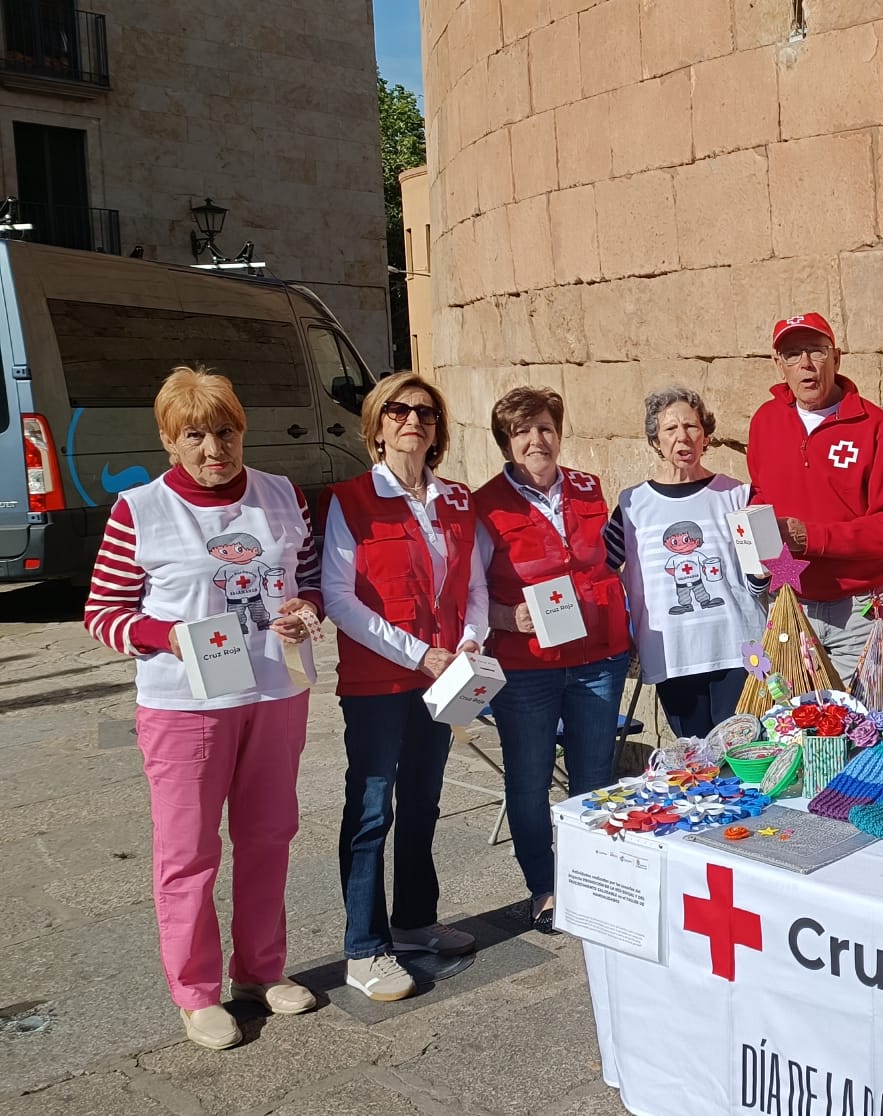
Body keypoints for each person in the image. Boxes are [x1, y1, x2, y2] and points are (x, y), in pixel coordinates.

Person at [81, 366, 323, 1050]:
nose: (214, 449)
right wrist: (170, 638)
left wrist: (307, 609)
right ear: (168, 440)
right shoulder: (140, 509)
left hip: (275, 692)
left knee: (269, 836)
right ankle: (196, 992)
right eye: (196, 435)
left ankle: (261, 970)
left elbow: (305, 576)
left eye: (225, 432)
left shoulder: (281, 496)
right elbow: (102, 614)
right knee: (188, 854)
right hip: (184, 707)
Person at [321, 372, 486, 1001]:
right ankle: (365, 948)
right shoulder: (350, 499)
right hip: (381, 680)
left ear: (437, 429)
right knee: (371, 810)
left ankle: (415, 921)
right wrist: (420, 654)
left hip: (445, 677)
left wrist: (471, 641)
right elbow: (338, 597)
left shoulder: (457, 501)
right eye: (397, 410)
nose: (411, 419)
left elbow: (472, 583)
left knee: (424, 801)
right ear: (376, 425)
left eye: (425, 411)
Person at [473, 387, 631, 934]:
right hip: (527, 665)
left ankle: (592, 878)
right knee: (529, 777)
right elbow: (470, 589)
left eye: (544, 428)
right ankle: (544, 887)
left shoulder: (588, 487)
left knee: (593, 772)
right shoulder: (485, 504)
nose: (536, 440)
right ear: (507, 443)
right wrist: (501, 617)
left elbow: (611, 560)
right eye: (522, 432)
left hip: (598, 657)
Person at [744, 312, 883, 678]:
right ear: (778, 364)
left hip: (861, 607)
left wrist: (812, 537)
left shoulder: (873, 426)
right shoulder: (766, 421)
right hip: (789, 601)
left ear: (836, 357)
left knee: (862, 724)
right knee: (792, 723)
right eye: (792, 353)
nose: (805, 364)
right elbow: (761, 496)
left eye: (816, 351)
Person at [606, 387, 768, 738]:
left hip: (737, 650)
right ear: (655, 441)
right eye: (670, 429)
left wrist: (763, 572)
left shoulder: (737, 494)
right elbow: (602, 569)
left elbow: (762, 575)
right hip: (672, 654)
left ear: (705, 435)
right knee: (695, 759)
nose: (683, 437)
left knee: (743, 751)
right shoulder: (633, 505)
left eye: (692, 427)